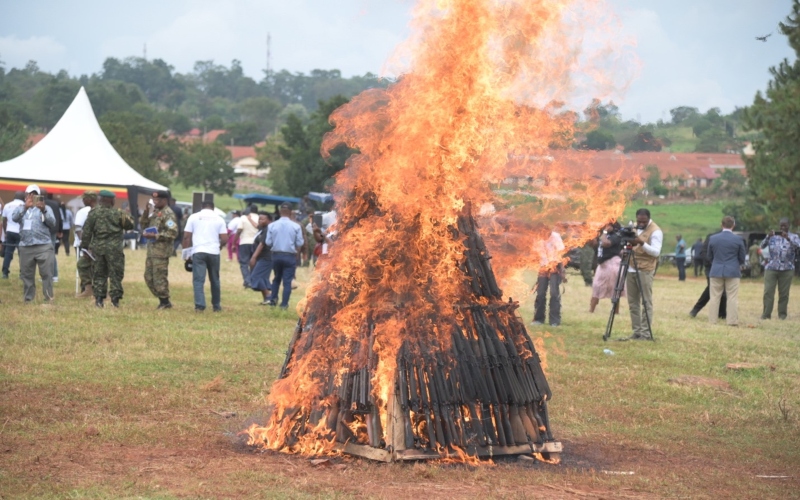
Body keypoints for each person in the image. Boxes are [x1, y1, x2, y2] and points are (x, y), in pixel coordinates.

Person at [80, 190, 134, 308]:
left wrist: (84, 247)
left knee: (99, 274)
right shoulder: (118, 214)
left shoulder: (93, 213)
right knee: (115, 274)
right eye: (114, 199)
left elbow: (87, 232)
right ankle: (115, 300)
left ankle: (99, 300)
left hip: (98, 249)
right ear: (109, 200)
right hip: (114, 250)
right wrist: (127, 214)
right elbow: (130, 225)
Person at [11, 185, 57, 303]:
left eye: (34, 194)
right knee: (27, 275)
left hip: (44, 246)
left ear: (39, 196)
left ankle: (48, 298)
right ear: (25, 196)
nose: (31, 197)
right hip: (26, 246)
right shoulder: (20, 208)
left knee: (47, 274)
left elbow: (52, 223)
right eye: (29, 194)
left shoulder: (46, 208)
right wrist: (25, 207)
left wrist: (43, 210)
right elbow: (14, 218)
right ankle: (28, 299)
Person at [622, 208, 662, 341]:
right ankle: (636, 331)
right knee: (633, 302)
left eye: (643, 222)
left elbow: (656, 252)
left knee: (646, 302)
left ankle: (646, 333)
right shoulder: (633, 227)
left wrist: (641, 243)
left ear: (648, 219)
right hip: (631, 268)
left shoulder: (656, 231)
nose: (640, 224)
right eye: (639, 221)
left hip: (645, 269)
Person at [182, 200, 228, 312]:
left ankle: (200, 306)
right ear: (213, 208)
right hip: (214, 252)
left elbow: (186, 237)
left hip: (199, 251)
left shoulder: (193, 217)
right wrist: (219, 246)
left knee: (198, 280)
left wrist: (186, 253)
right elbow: (225, 239)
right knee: (215, 280)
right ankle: (216, 306)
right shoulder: (219, 219)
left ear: (201, 207)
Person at [140, 190, 178, 309]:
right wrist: (146, 212)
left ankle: (165, 302)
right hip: (152, 250)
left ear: (165, 200)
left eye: (157, 200)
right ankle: (162, 299)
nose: (155, 202)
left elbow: (172, 233)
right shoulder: (156, 212)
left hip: (161, 252)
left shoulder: (168, 214)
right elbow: (144, 225)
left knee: (159, 277)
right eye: (154, 200)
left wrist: (155, 236)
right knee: (148, 277)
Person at [707, 216, 746, 326]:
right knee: (732, 297)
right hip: (733, 271)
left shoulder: (713, 238)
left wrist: (716, 263)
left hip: (716, 270)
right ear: (733, 225)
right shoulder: (738, 239)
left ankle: (712, 321)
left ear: (721, 224)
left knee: (714, 297)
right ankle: (732, 321)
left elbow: (709, 256)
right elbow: (742, 257)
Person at [265, 202, 305, 309]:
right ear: (291, 212)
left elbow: (268, 242)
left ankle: (273, 299)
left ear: (279, 211)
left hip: (276, 255)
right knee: (287, 281)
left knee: (276, 278)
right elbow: (300, 243)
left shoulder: (272, 225)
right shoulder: (296, 226)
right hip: (289, 256)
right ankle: (284, 304)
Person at [760, 217, 800, 320]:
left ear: (789, 225)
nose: (782, 227)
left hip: (787, 269)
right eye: (781, 225)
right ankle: (766, 315)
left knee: (784, 294)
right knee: (768, 291)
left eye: (784, 225)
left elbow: (798, 247)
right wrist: (768, 237)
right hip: (771, 268)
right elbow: (762, 246)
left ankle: (782, 315)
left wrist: (788, 238)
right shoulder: (773, 236)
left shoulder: (794, 236)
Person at [689, 229, 727, 319]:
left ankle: (722, 314)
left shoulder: (728, 238)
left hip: (722, 268)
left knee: (721, 289)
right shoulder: (711, 237)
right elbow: (703, 252)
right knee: (712, 287)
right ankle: (696, 309)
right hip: (711, 267)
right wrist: (713, 262)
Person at [532, 229, 565, 327]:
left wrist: (562, 270)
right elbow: (536, 254)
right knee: (541, 293)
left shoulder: (555, 236)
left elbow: (560, 254)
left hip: (555, 267)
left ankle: (554, 320)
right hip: (543, 267)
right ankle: (538, 319)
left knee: (554, 293)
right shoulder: (537, 238)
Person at [589, 222, 623, 314]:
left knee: (614, 288)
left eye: (607, 225)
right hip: (602, 264)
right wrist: (593, 236)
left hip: (612, 263)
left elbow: (606, 243)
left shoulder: (616, 235)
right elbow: (593, 245)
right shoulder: (601, 234)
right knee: (597, 286)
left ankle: (615, 311)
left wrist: (604, 232)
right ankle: (591, 310)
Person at [73, 191, 98, 297]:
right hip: (91, 245)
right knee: (89, 266)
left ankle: (94, 290)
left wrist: (85, 246)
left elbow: (78, 229)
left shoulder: (83, 211)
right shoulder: (100, 210)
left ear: (89, 199)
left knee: (92, 267)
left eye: (84, 199)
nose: (82, 201)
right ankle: (88, 289)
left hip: (90, 245)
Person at [248, 211, 274, 304]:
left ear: (269, 220)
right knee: (263, 277)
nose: (260, 221)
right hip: (262, 257)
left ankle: (269, 296)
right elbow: (256, 225)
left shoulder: (268, 230)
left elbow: (262, 244)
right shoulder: (262, 229)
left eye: (262, 219)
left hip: (266, 257)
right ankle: (267, 299)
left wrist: (253, 257)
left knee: (256, 276)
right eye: (259, 219)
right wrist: (250, 219)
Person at [41, 189, 63, 283]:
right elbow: (59, 217)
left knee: (43, 253)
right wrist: (60, 230)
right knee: (51, 252)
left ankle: (50, 275)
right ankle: (54, 275)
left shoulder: (40, 203)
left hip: (43, 230)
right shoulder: (55, 203)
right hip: (53, 230)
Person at [2, 191, 24, 279]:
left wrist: (5, 231)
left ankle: (5, 272)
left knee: (8, 253)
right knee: (22, 254)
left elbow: (4, 220)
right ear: (23, 197)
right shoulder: (24, 206)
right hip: (20, 232)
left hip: (10, 231)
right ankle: (22, 273)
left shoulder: (7, 205)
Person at [237, 205, 260, 288]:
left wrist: (234, 241)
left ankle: (247, 281)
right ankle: (253, 280)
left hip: (245, 242)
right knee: (254, 262)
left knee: (244, 263)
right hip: (256, 243)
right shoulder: (260, 218)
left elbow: (239, 230)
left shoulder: (243, 218)